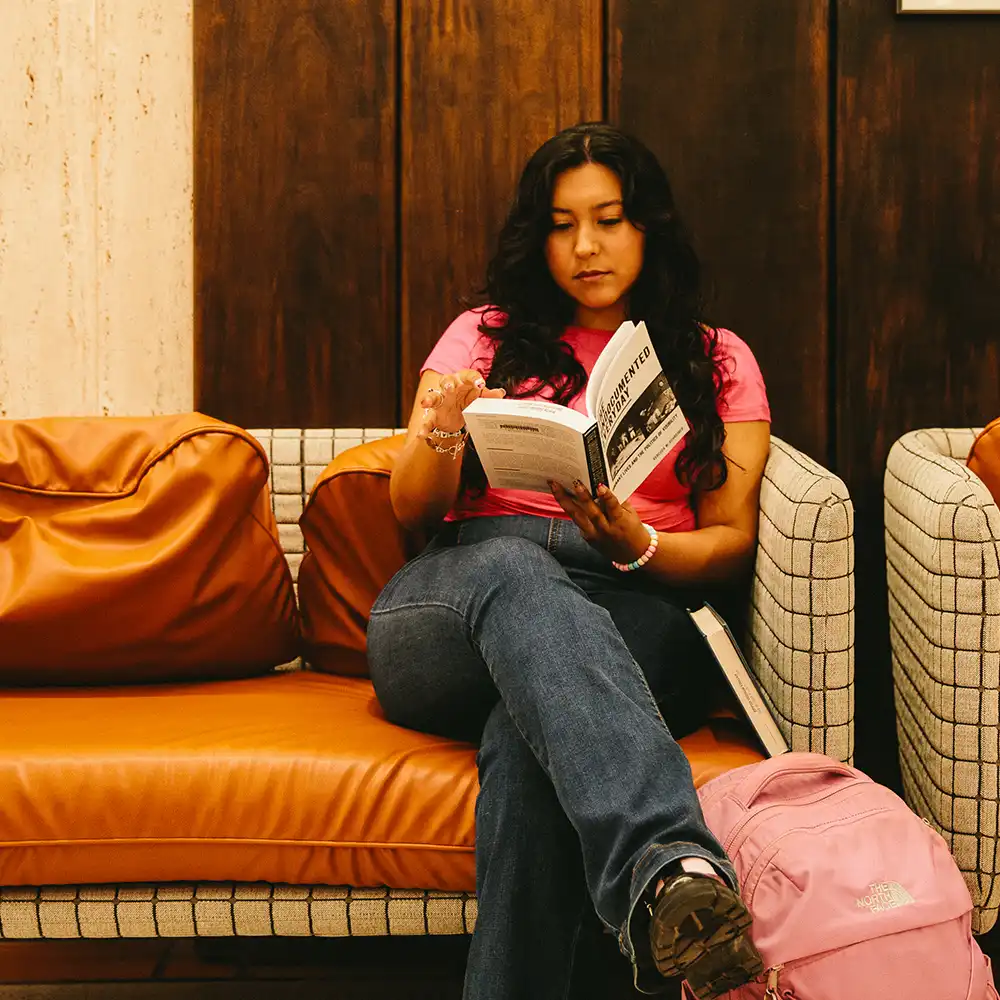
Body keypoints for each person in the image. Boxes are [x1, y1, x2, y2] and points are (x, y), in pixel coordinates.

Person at [366, 122, 771, 999]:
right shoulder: (481, 336)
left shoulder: (717, 359)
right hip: (461, 595)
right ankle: (670, 866)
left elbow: (730, 542)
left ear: (648, 226)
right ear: (537, 237)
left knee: (530, 742)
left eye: (608, 219)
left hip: (630, 599)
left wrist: (637, 542)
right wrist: (443, 427)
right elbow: (410, 509)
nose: (586, 246)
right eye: (561, 224)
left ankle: (674, 902)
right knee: (519, 576)